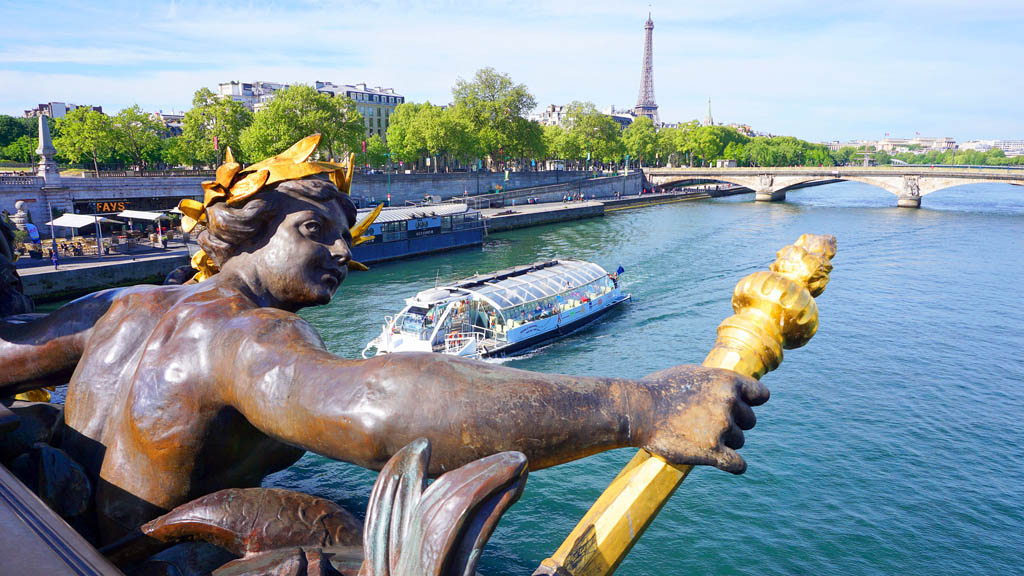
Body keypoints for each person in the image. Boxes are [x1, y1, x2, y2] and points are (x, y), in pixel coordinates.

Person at [0, 136, 766, 547]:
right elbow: (373, 408)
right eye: (316, 231)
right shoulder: (241, 335)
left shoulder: (122, 304)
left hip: (50, 526)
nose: (343, 254)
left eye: (346, 240)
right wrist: (636, 405)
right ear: (247, 229)